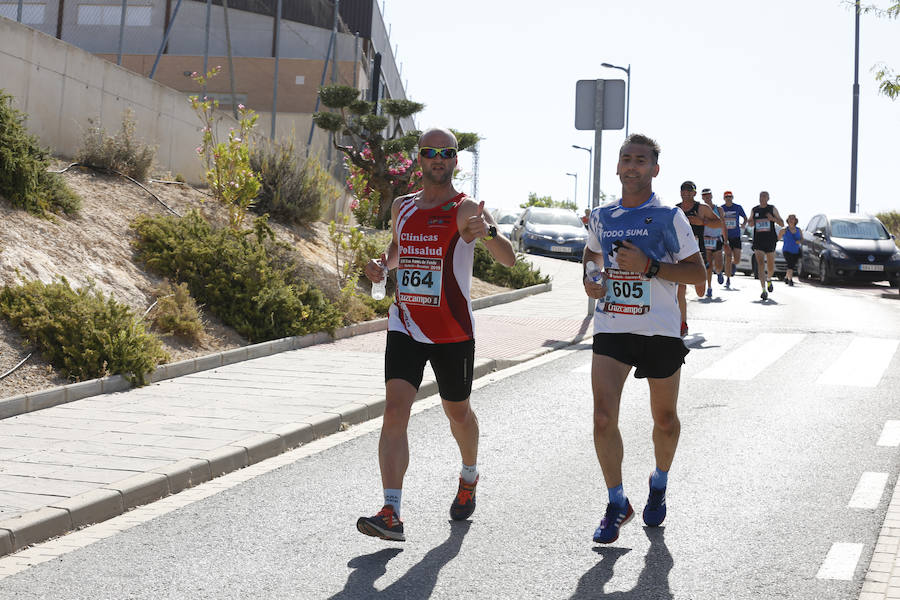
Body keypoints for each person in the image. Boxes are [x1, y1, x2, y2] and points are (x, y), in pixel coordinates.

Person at [357, 128, 516, 542]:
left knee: (457, 412)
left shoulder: (465, 211)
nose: (438, 159)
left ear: (455, 161)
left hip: (451, 332)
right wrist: (382, 265)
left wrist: (490, 233)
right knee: (394, 412)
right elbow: (397, 249)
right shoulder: (402, 206)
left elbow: (510, 259)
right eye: (430, 152)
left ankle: (469, 475)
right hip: (405, 323)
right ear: (419, 159)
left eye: (447, 153)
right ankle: (391, 511)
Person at [583, 134, 706, 544]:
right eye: (626, 159)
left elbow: (698, 275)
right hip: (613, 327)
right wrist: (591, 277)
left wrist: (650, 267)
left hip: (660, 332)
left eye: (641, 160)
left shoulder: (670, 217)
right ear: (617, 168)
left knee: (665, 422)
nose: (632, 166)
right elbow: (592, 254)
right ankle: (617, 502)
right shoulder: (602, 216)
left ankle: (659, 481)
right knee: (602, 419)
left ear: (655, 169)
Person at [675, 181, 718, 336]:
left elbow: (719, 223)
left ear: (694, 193)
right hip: (679, 254)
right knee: (681, 288)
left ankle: (699, 283)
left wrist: (702, 222)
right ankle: (682, 323)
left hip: (698, 253)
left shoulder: (702, 208)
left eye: (689, 191)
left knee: (700, 292)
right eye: (683, 190)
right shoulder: (675, 209)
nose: (686, 193)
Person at [748, 191, 784, 301]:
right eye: (760, 196)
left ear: (768, 198)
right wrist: (751, 221)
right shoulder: (755, 209)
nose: (762, 198)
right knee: (760, 264)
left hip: (770, 240)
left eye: (764, 196)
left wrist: (773, 219)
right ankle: (763, 290)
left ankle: (769, 279)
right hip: (758, 240)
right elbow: (750, 223)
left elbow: (782, 223)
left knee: (770, 266)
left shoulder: (772, 209)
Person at [700, 188, 726, 298]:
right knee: (708, 265)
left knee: (719, 265)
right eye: (704, 196)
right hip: (706, 239)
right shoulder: (701, 209)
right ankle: (709, 287)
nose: (706, 197)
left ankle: (719, 272)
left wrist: (726, 241)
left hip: (717, 238)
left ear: (711, 196)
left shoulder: (718, 209)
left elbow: (723, 224)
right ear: (702, 197)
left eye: (708, 195)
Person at [720, 191, 747, 288]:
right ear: (724, 198)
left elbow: (745, 217)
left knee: (737, 259)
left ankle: (733, 264)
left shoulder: (737, 207)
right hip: (726, 236)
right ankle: (728, 279)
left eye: (730, 196)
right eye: (726, 197)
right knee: (727, 257)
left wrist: (743, 224)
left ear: (732, 197)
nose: (728, 198)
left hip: (736, 236)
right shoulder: (721, 208)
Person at [779, 213, 803, 286]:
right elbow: (778, 238)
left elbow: (802, 239)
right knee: (790, 264)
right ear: (787, 220)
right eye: (790, 219)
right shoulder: (784, 230)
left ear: (795, 220)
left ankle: (786, 277)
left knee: (791, 265)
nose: (791, 220)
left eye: (793, 219)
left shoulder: (799, 230)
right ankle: (790, 279)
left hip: (795, 250)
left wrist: (799, 241)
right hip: (787, 250)